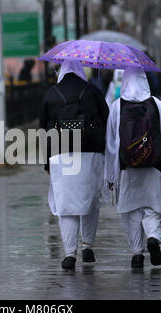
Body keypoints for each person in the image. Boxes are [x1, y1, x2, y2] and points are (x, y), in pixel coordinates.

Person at [105, 67, 161, 269]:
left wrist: (110, 173)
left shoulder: (117, 106)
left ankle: (136, 253)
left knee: (130, 210)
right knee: (152, 209)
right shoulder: (157, 105)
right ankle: (152, 237)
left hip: (127, 168)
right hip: (153, 166)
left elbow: (111, 143)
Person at [39, 60, 109, 270]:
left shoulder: (50, 94)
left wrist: (46, 162)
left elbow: (42, 130)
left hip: (60, 155)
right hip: (91, 153)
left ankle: (70, 254)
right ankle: (87, 246)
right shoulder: (93, 92)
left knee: (66, 205)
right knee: (90, 201)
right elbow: (107, 121)